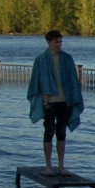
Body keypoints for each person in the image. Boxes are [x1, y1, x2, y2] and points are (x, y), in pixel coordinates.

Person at [27, 30, 84, 175]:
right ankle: (48, 166)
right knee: (49, 132)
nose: (59, 45)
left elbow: (72, 81)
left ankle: (61, 166)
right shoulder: (41, 59)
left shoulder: (67, 58)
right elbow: (38, 82)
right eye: (56, 42)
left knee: (62, 132)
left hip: (66, 102)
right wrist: (44, 102)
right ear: (49, 42)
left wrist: (74, 99)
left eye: (60, 42)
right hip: (49, 103)